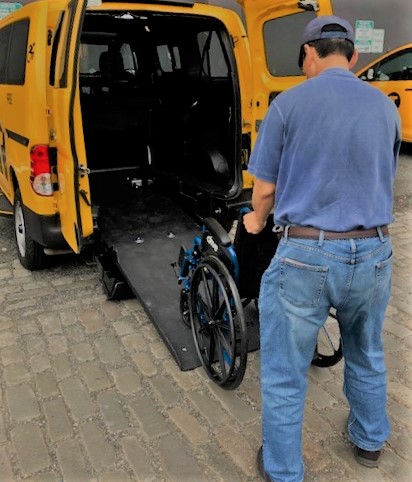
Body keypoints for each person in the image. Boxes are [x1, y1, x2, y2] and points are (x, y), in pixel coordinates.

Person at [243, 15, 401, 482]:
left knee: (285, 371)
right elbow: (382, 177)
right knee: (367, 350)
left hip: (305, 257)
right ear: (353, 57)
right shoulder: (385, 107)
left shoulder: (287, 105)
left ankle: (283, 469)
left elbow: (264, 192)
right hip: (373, 252)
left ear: (309, 54)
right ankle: (371, 441)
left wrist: (255, 220)